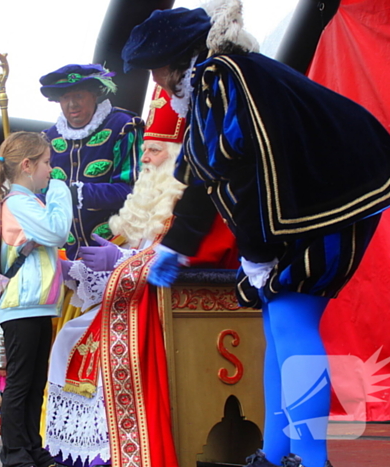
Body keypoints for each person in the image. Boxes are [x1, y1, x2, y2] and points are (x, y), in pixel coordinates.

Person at [121, 3, 390, 467]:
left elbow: (249, 166)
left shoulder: (224, 77)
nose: (157, 81)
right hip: (313, 200)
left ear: (182, 58)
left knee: (290, 320)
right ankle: (278, 453)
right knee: (277, 325)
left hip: (325, 199)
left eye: (158, 68)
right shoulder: (214, 84)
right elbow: (204, 178)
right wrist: (176, 247)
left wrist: (258, 252)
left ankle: (311, 459)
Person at [45, 87, 238, 467]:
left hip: (179, 310)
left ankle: (115, 455)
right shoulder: (156, 203)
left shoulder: (199, 201)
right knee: (70, 335)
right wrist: (77, 271)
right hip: (142, 300)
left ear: (180, 157)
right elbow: (137, 256)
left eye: (154, 150)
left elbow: (192, 257)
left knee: (85, 341)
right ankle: (87, 456)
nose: (144, 157)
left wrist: (117, 259)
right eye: (145, 148)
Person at [0, 131, 71, 467]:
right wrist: (61, 191)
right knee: (21, 383)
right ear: (27, 165)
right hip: (21, 305)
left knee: (35, 382)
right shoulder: (18, 202)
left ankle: (33, 447)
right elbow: (58, 230)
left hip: (36, 304)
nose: (50, 171)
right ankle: (15, 453)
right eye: (47, 163)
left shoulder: (28, 202)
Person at [40, 63, 143, 260]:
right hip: (65, 257)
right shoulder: (48, 138)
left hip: (117, 249)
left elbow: (134, 191)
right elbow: (40, 193)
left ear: (94, 94)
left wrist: (76, 193)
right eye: (65, 97)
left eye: (78, 95)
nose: (72, 104)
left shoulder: (124, 126)